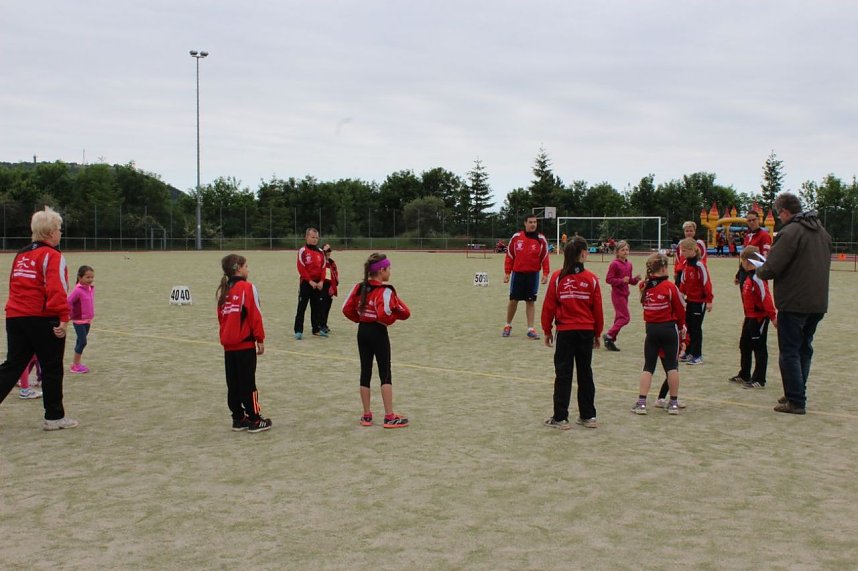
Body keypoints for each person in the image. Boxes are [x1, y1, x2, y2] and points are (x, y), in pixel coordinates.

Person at [0, 206, 78, 430]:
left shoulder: (21, 254)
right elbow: (57, 289)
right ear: (51, 232)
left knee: (12, 365)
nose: (61, 233)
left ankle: (54, 416)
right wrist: (63, 317)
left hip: (15, 316)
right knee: (52, 367)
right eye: (60, 229)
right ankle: (54, 417)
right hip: (42, 318)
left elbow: (14, 285)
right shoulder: (52, 255)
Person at [756, 192, 831, 414]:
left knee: (789, 351)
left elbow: (771, 268)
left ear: (785, 212)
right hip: (817, 302)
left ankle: (796, 399)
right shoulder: (821, 232)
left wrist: (759, 269)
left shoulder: (790, 232)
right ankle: (796, 390)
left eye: (780, 214)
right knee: (804, 348)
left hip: (794, 301)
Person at [342, 253, 411, 428]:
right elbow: (400, 312)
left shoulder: (359, 288)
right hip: (378, 332)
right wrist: (392, 317)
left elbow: (346, 308)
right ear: (381, 270)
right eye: (388, 268)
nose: (390, 271)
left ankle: (366, 415)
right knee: (385, 372)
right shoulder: (386, 291)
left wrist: (360, 318)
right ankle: (389, 416)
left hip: (362, 331)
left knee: (365, 371)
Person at [541, 236, 603, 429]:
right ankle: (588, 416)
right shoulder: (591, 278)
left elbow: (548, 305)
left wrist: (547, 329)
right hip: (585, 332)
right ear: (583, 253)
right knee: (586, 373)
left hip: (565, 332)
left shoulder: (558, 277)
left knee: (563, 374)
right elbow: (597, 309)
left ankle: (560, 418)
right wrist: (597, 333)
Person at [216, 254, 271, 433]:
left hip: (228, 346)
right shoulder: (248, 288)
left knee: (233, 384)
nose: (248, 269)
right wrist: (260, 339)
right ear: (238, 268)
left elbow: (221, 318)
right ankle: (255, 419)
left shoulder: (224, 292)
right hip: (244, 344)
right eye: (246, 266)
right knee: (248, 383)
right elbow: (255, 315)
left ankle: (238, 418)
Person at [632, 253, 687, 416]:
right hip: (669, 330)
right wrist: (683, 332)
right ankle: (674, 403)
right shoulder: (670, 287)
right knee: (672, 367)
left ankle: (641, 403)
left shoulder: (644, 286)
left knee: (648, 366)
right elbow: (680, 310)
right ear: (663, 268)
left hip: (651, 330)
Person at [729, 246, 778, 389]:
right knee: (744, 344)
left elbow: (765, 296)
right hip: (749, 317)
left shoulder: (757, 276)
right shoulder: (748, 276)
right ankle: (744, 374)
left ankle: (759, 379)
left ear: (747, 261)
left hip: (759, 317)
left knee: (759, 347)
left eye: (742, 261)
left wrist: (773, 316)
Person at [502, 214, 550, 339]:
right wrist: (507, 272)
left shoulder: (541, 239)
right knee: (513, 300)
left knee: (530, 301)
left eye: (535, 222)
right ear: (525, 223)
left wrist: (545, 273)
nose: (533, 224)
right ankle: (507, 325)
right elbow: (510, 255)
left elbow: (544, 257)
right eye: (530, 222)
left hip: (533, 275)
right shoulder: (517, 237)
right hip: (518, 274)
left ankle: (530, 329)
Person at [678, 237, 713, 365]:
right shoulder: (686, 264)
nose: (682, 253)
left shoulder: (699, 265)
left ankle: (697, 355)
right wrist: (680, 297)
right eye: (682, 250)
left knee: (696, 328)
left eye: (685, 251)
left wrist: (709, 300)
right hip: (689, 301)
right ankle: (689, 352)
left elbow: (706, 282)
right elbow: (683, 282)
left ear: (693, 250)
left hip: (699, 302)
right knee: (689, 328)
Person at [603, 240, 641, 351]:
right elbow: (608, 279)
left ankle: (611, 340)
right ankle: (609, 335)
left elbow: (629, 281)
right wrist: (621, 281)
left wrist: (635, 280)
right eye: (622, 250)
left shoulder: (629, 264)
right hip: (617, 294)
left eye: (627, 249)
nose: (625, 252)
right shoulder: (614, 264)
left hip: (625, 294)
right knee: (625, 318)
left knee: (619, 318)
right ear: (617, 252)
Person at [294, 227, 327, 340]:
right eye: (312, 237)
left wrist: (322, 281)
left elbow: (323, 268)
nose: (314, 239)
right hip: (306, 283)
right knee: (301, 307)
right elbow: (301, 268)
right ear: (306, 237)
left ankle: (316, 329)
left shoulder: (321, 252)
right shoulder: (303, 251)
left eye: (316, 237)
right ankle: (298, 330)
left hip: (318, 284)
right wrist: (310, 281)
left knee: (317, 307)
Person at [734, 209, 772, 288]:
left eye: (753, 220)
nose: (751, 222)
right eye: (749, 220)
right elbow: (744, 257)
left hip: (756, 273)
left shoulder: (764, 235)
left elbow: (766, 257)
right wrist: (739, 274)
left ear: (758, 219)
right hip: (744, 273)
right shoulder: (748, 236)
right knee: (745, 298)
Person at [67, 265, 95, 374]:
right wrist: (70, 314)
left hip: (87, 321)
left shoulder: (90, 288)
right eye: (87, 277)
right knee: (83, 342)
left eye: (92, 277)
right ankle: (75, 365)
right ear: (80, 277)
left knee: (80, 341)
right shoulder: (77, 290)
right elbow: (68, 301)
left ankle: (75, 363)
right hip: (78, 321)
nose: (90, 280)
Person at [673, 221, 707, 285]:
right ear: (684, 232)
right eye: (687, 231)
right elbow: (677, 260)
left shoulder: (699, 243)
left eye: (691, 231)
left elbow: (703, 259)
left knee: (693, 293)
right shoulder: (680, 243)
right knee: (679, 293)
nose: (689, 233)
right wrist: (676, 272)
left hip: (694, 272)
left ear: (695, 231)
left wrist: (701, 272)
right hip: (681, 272)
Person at [318, 244, 339, 335]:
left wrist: (333, 286)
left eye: (329, 250)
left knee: (327, 306)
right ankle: (320, 325)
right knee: (321, 306)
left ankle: (324, 324)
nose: (328, 252)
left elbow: (335, 275)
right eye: (326, 250)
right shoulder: (320, 262)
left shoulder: (332, 262)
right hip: (322, 286)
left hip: (330, 286)